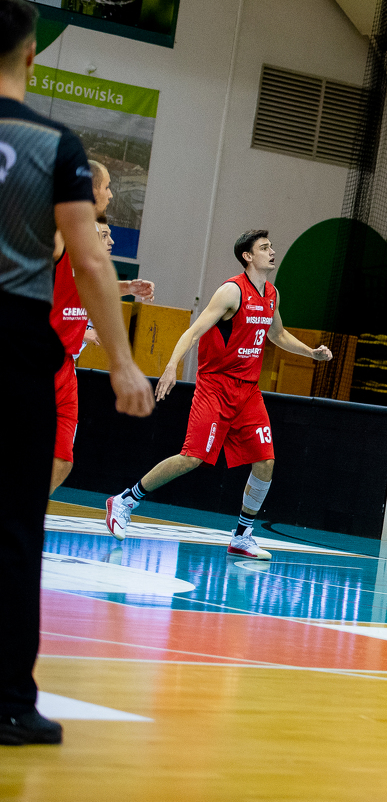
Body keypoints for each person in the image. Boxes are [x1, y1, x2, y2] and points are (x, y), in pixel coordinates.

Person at [0, 0, 152, 746]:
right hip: (13, 343)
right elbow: (88, 259)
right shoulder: (51, 143)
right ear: (31, 55)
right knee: (14, 527)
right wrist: (122, 363)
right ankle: (8, 703)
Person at [104, 230, 332, 560]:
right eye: (264, 247)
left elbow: (278, 334)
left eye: (271, 246)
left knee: (265, 462)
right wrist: (171, 366)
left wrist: (311, 352)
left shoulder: (272, 294)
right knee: (191, 457)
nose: (272, 251)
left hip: (248, 392)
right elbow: (193, 331)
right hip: (215, 387)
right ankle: (125, 501)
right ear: (247, 256)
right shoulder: (231, 292)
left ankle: (242, 536)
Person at [50, 172, 155, 492]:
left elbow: (96, 288)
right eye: (107, 186)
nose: (111, 194)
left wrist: (128, 287)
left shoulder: (88, 260)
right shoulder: (60, 237)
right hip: (39, 356)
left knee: (63, 460)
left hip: (67, 367)